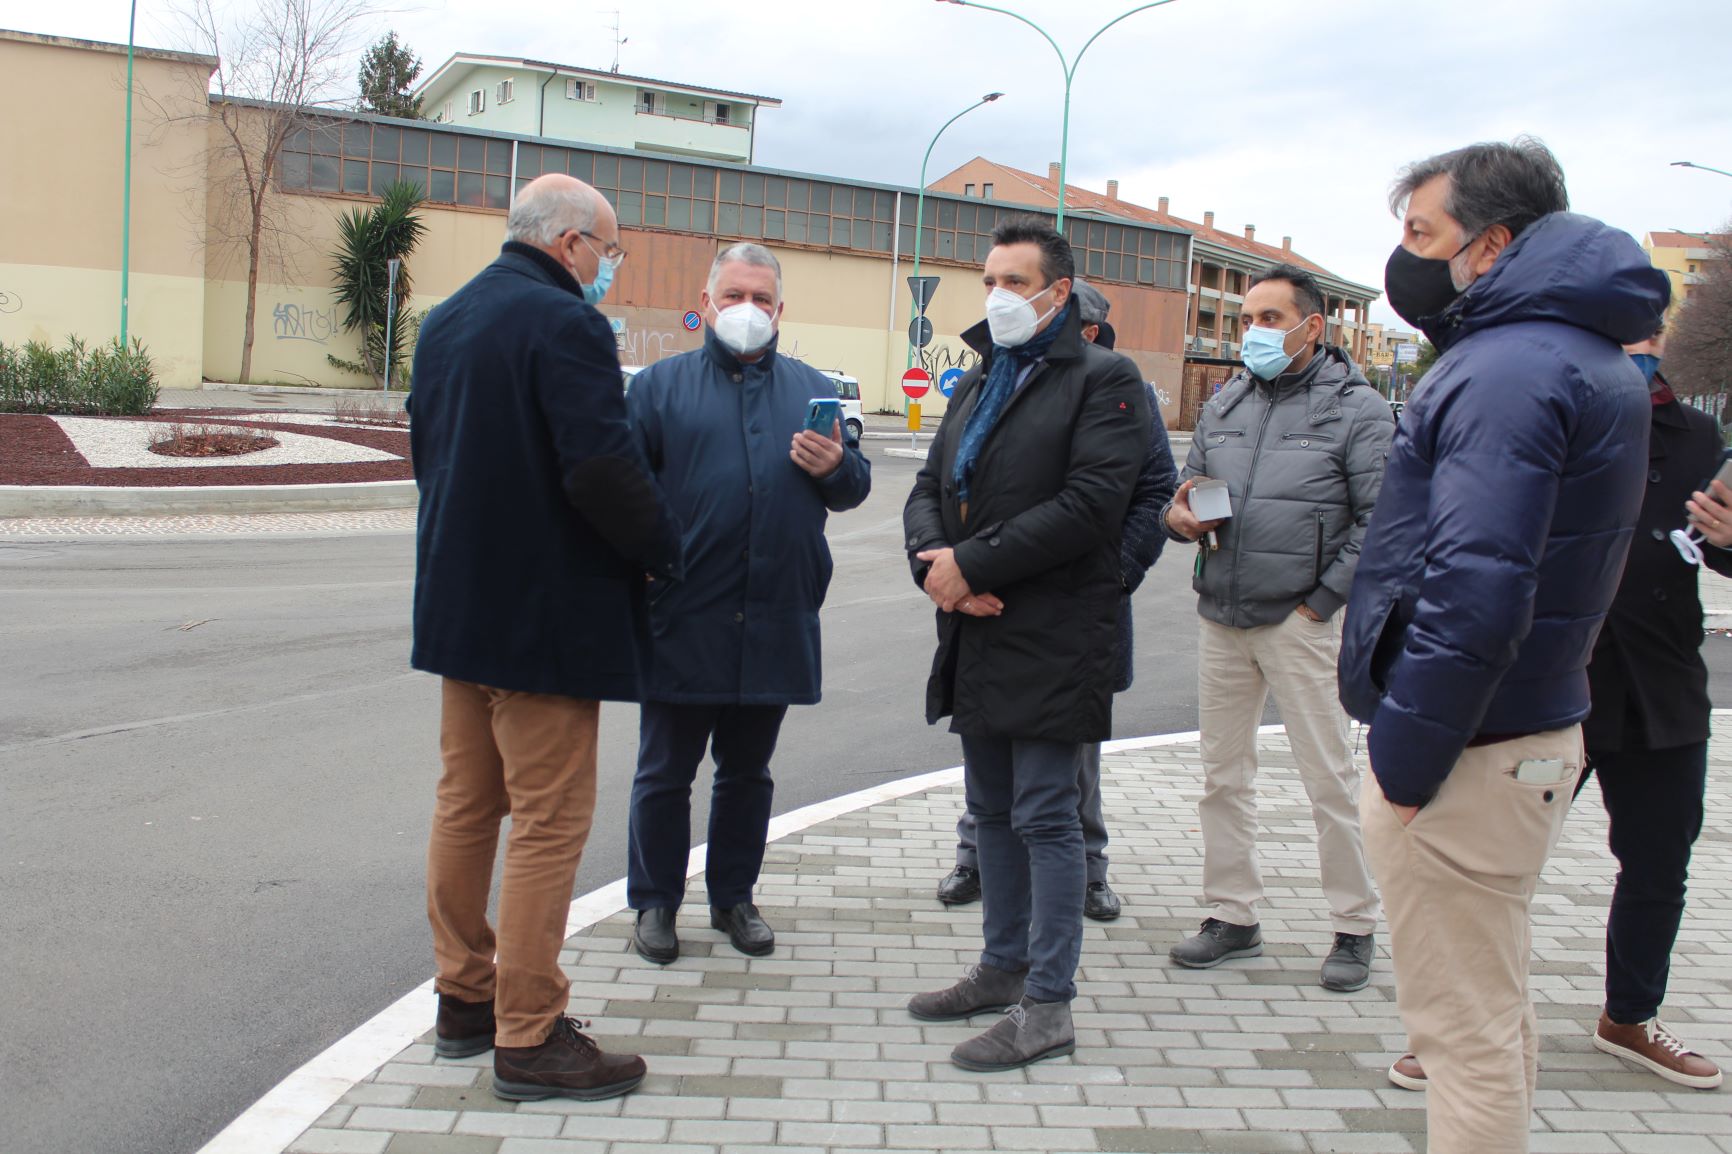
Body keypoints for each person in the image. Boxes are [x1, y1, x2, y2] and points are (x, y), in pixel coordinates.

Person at [1339, 138, 1669, 1153]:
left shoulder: (1505, 368)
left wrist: (1403, 758)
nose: (1405, 259)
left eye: (1421, 234)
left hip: (1465, 751)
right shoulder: (1576, 351)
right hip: (1519, 729)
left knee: (1461, 1036)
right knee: (1491, 1004)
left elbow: (1478, 586)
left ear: (1490, 246)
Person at [1389, 325, 1723, 1093]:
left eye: (1647, 332)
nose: (1633, 349)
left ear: (1665, 337)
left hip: (1660, 688)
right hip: (1543, 685)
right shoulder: (1545, 414)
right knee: (1490, 868)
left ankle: (1630, 1017)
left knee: (1657, 864)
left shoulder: (1698, 435)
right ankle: (1457, 1030)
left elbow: (1712, 548)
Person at [409, 174, 682, 1103]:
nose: (608, 265)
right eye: (608, 248)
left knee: (466, 806)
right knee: (549, 824)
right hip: (544, 623)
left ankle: (463, 999)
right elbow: (600, 466)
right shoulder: (565, 323)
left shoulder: (445, 320)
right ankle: (529, 1034)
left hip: (459, 610)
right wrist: (662, 549)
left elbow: (428, 460)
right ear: (569, 243)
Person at [903, 216, 1148, 1071]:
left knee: (1048, 815)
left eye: (1016, 282)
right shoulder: (979, 381)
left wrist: (970, 563)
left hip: (1055, 631)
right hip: (979, 630)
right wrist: (935, 565)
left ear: (1058, 293)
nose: (998, 296)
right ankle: (1000, 968)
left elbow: (1093, 505)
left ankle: (1049, 1003)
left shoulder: (1105, 378)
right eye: (989, 280)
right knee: (995, 812)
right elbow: (932, 485)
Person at [624, 242, 871, 965]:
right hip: (682, 614)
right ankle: (656, 904)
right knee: (665, 771)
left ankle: (734, 898)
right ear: (705, 305)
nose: (748, 311)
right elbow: (625, 494)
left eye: (762, 300)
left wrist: (839, 468)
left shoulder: (811, 388)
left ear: (781, 311)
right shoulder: (659, 389)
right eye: (734, 296)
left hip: (774, 612)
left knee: (748, 772)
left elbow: (853, 489)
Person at [1159, 264, 1392, 992]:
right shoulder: (1226, 402)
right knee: (1222, 778)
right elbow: (1187, 492)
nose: (1251, 333)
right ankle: (1233, 915)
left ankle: (1354, 927)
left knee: (1330, 778)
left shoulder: (1359, 411)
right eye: (1247, 319)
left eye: (1267, 319)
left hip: (1300, 621)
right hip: (1222, 615)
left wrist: (1320, 602)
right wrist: (1178, 518)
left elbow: (1382, 521)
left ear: (1311, 327)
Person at [936, 279, 1175, 921]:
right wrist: (951, 565)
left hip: (1079, 603)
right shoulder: (986, 380)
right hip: (989, 597)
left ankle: (1089, 870)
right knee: (987, 754)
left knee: (1071, 760)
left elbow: (1152, 495)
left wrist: (1115, 575)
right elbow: (944, 486)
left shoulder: (1122, 391)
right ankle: (975, 858)